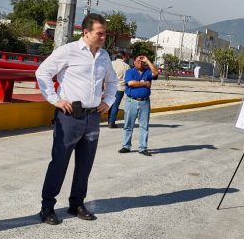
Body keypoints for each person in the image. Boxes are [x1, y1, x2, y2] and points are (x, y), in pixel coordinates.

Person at [35, 13, 117, 225]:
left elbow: (113, 81)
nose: (103, 37)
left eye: (105, 33)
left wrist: (107, 101)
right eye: (100, 33)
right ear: (86, 32)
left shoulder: (104, 56)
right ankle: (47, 206)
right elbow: (42, 72)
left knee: (85, 163)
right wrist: (55, 100)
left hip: (92, 117)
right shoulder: (68, 51)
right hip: (69, 116)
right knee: (60, 162)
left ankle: (76, 203)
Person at [118, 54, 159, 156]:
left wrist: (148, 60)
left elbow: (156, 72)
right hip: (131, 101)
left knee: (144, 126)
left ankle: (143, 148)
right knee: (128, 125)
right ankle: (126, 146)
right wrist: (145, 84)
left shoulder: (147, 72)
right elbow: (131, 83)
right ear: (134, 62)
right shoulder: (130, 72)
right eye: (138, 61)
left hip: (145, 102)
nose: (140, 63)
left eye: (142, 61)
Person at [108, 51, 130, 128]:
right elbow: (128, 78)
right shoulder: (126, 66)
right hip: (120, 88)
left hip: (109, 87)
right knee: (115, 105)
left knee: (108, 104)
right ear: (123, 57)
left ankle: (109, 120)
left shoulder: (110, 63)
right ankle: (111, 122)